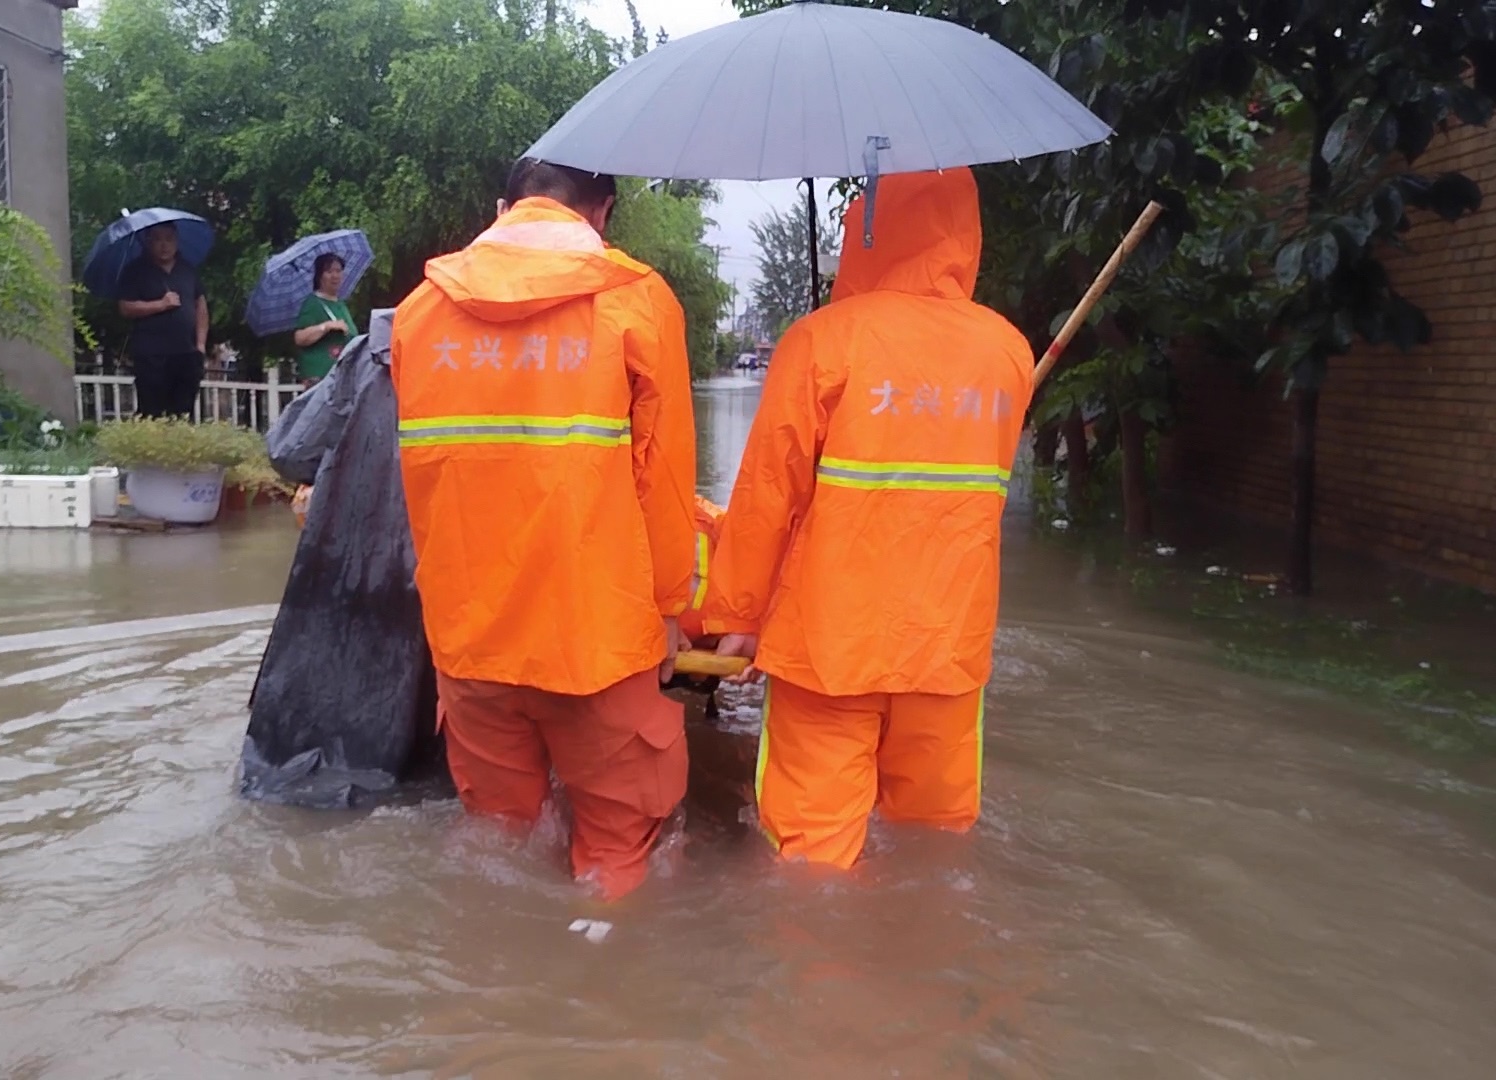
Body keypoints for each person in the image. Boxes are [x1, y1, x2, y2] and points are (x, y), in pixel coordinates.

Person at [703, 169, 1034, 870]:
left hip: (829, 650)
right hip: (947, 650)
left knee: (810, 860)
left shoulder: (823, 342)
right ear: (967, 234)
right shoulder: (1008, 353)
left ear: (863, 235)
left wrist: (736, 618)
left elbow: (768, 495)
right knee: (935, 853)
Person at [391, 158, 697, 900]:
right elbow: (664, 482)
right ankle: (594, 976)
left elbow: (430, 482)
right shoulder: (638, 302)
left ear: (503, 207)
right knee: (617, 855)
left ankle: (496, 983)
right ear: (603, 211)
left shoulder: (417, 314)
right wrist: (671, 610)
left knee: (497, 846)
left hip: (469, 639)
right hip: (597, 637)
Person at [118, 222, 209, 419]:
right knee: (152, 413)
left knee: (183, 413)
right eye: (158, 239)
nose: (164, 245)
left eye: (169, 239)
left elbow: (200, 305)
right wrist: (160, 305)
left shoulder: (187, 269)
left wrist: (200, 345)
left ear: (177, 241)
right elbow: (126, 307)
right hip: (151, 355)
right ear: (149, 242)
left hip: (186, 353)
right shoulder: (136, 270)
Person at [293, 253, 360, 387]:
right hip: (320, 378)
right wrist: (326, 326)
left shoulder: (341, 305)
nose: (335, 276)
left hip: (343, 377)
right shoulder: (313, 303)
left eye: (338, 271)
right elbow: (299, 338)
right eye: (329, 271)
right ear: (319, 276)